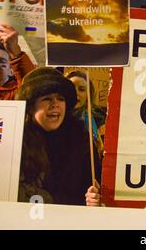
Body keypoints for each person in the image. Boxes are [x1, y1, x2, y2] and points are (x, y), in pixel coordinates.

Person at [16, 67, 99, 206]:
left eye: (60, 99)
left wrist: (94, 199)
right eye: (47, 98)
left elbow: (93, 186)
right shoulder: (16, 141)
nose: (55, 104)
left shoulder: (81, 141)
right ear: (30, 107)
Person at [66, 70, 106, 182]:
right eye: (72, 88)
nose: (76, 93)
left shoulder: (101, 120)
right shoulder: (56, 120)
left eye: (82, 89)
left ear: (88, 95)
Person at [0, 24, 35, 100]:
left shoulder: (18, 92)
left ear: (11, 71)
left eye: (2, 61)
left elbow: (31, 84)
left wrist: (15, 51)